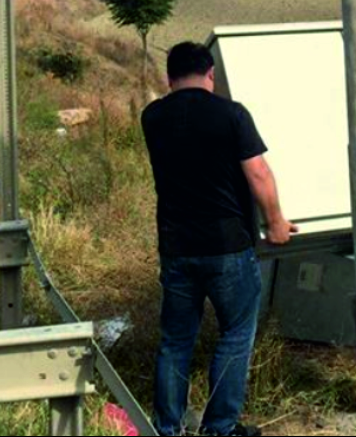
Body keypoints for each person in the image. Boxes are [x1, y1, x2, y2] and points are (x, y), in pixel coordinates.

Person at [141, 42, 298, 437]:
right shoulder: (231, 114)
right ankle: (220, 428)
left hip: (176, 246)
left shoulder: (152, 116)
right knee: (235, 334)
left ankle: (168, 427)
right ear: (211, 73)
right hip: (227, 245)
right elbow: (258, 173)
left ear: (169, 77)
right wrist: (276, 222)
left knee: (176, 340)